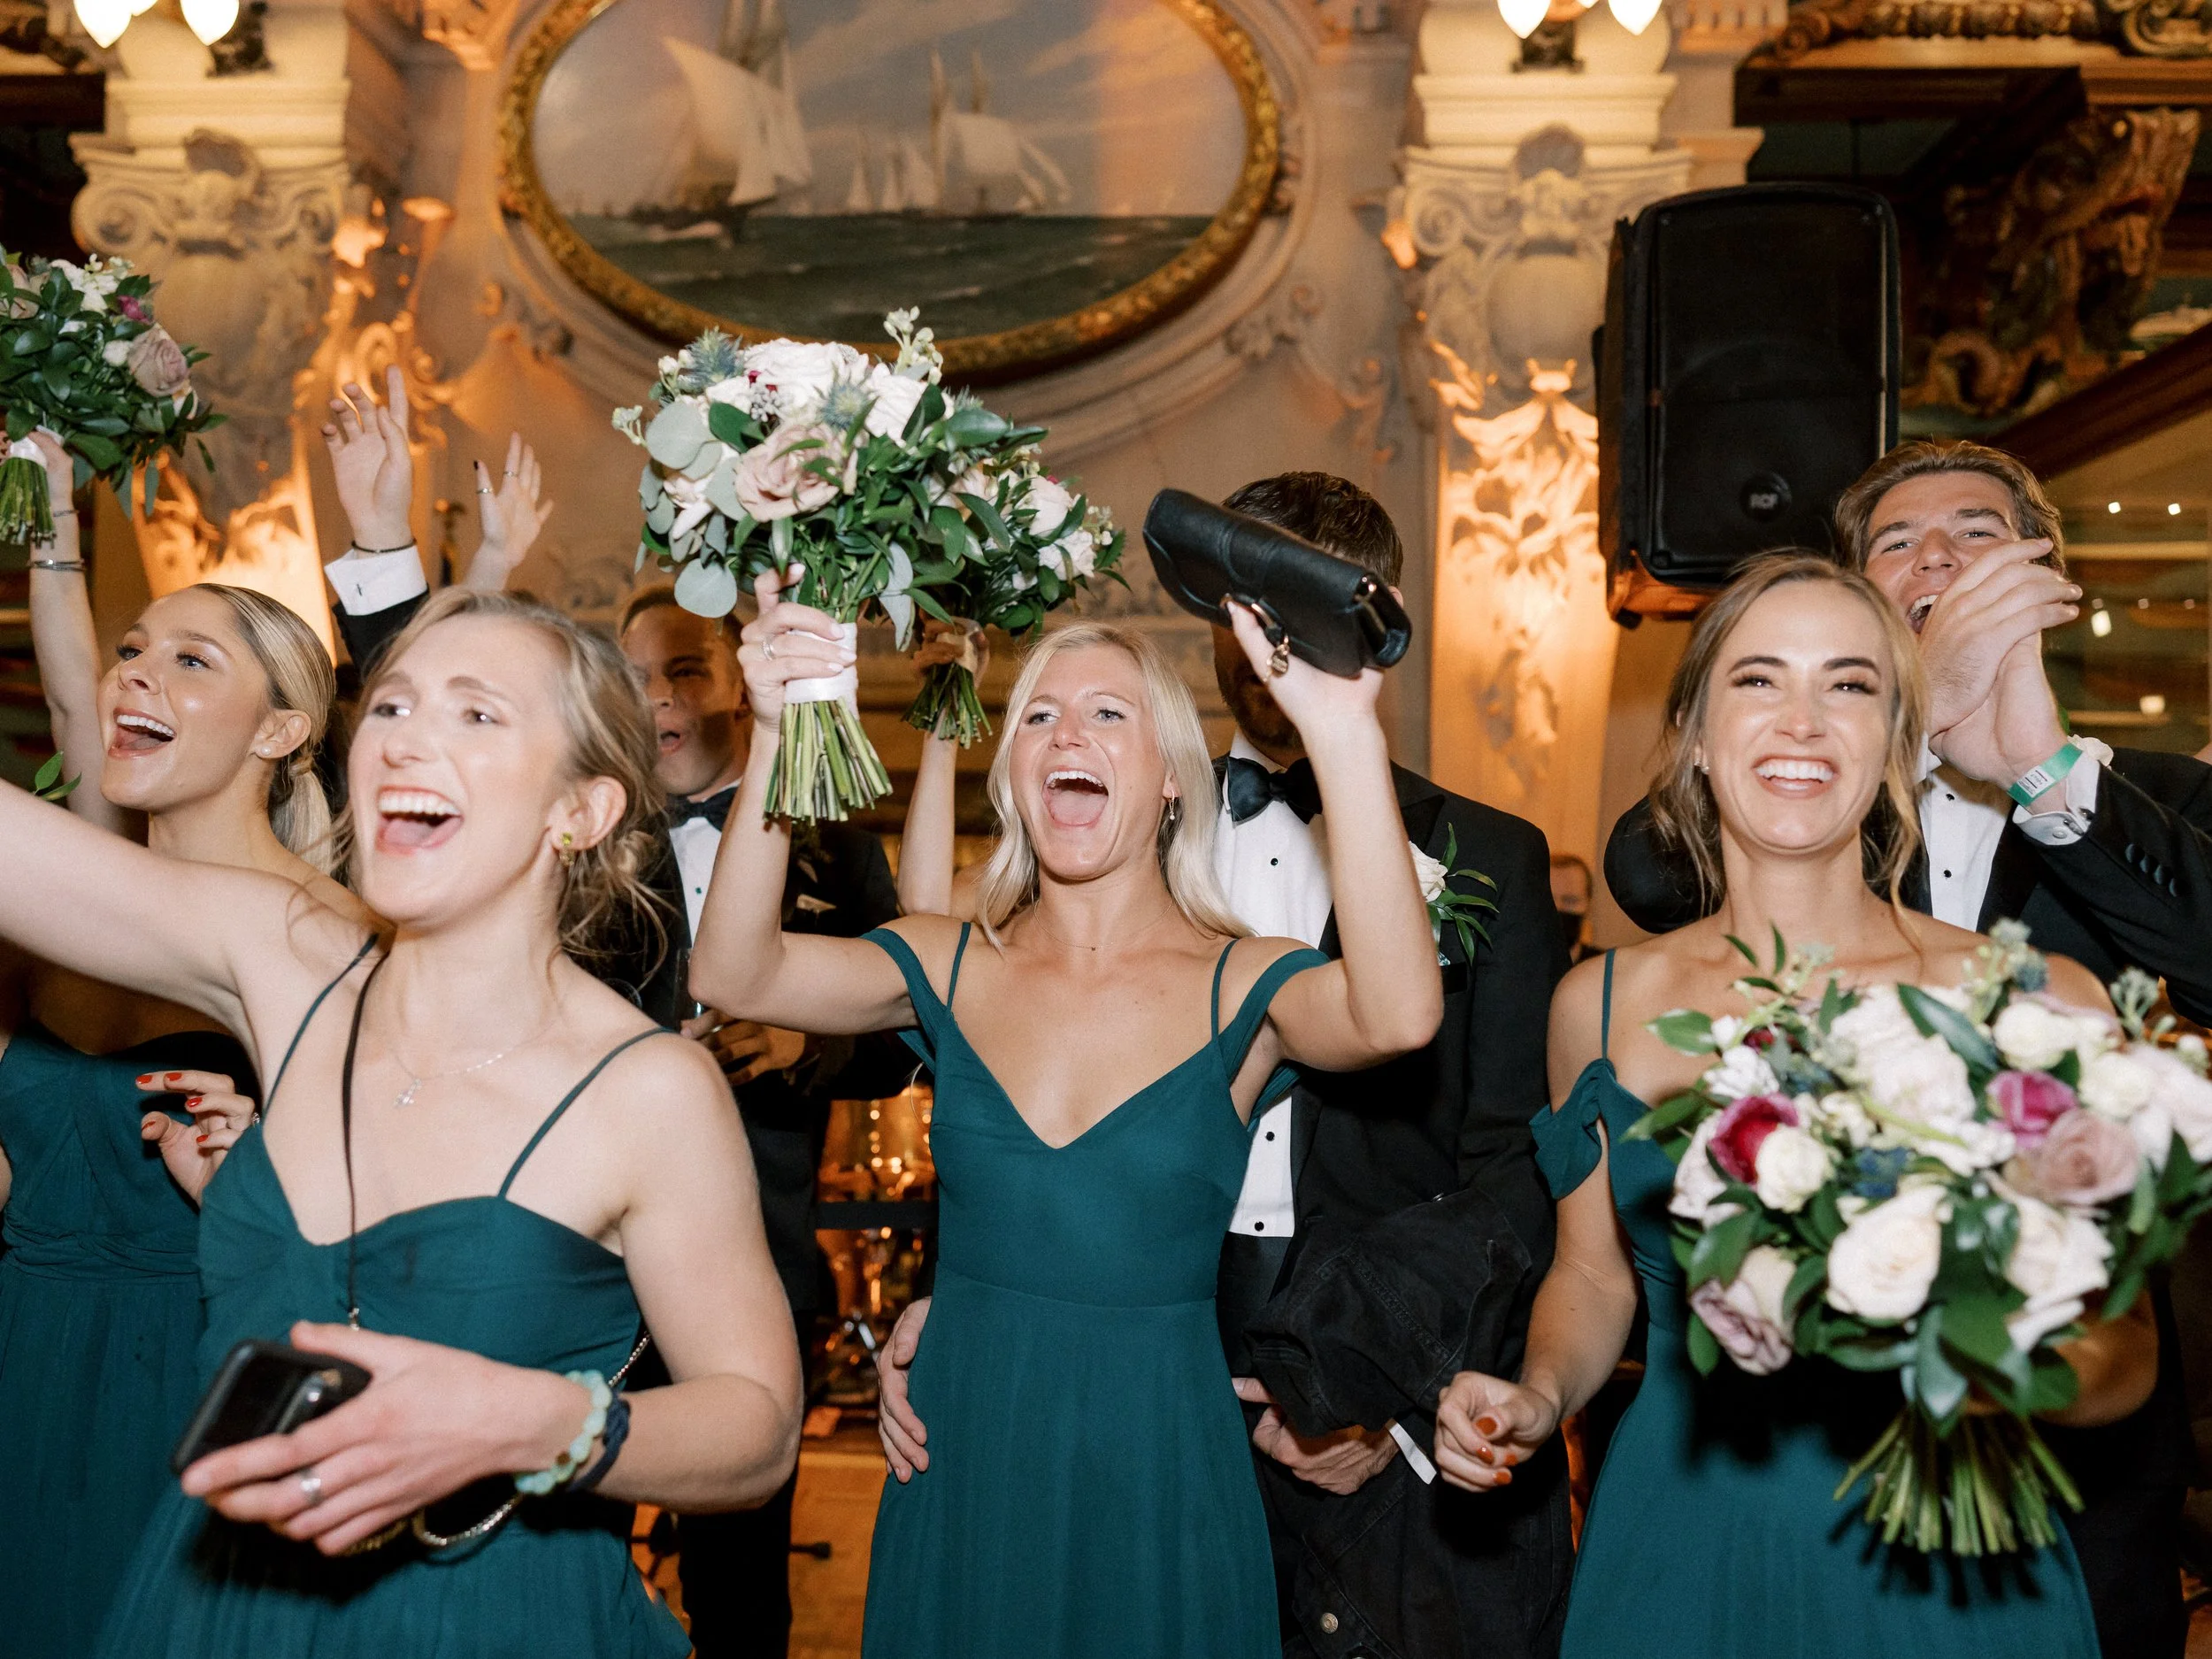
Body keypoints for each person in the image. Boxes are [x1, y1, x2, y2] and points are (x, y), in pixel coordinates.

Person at [0, 584, 810, 1654]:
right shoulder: (282, 960)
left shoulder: (644, 1087)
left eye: (475, 715)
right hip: (220, 1607)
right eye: (390, 708)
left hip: (490, 1622)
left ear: (582, 810)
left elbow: (755, 1431)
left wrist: (540, 1422)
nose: (406, 740)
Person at [882, 475, 1573, 1659]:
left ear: (1373, 617)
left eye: (1306, 609)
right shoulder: (1125, 809)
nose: (1274, 644)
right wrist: (970, 1311)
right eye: (1252, 607)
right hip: (1126, 1383)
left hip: (1371, 1404)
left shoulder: (1490, 856)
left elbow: (1512, 1169)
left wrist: (1387, 1397)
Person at [691, 572, 1441, 1659]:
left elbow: (1399, 1012)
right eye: (1036, 715)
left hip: (1160, 1472)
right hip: (962, 1461)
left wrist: (1341, 734)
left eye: (1105, 713)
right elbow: (735, 967)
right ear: (1015, 778)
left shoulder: (1244, 984)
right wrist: (772, 730)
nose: (1062, 733)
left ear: (1175, 779)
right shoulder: (946, 958)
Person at [1445, 553, 2156, 1657]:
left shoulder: (2023, 1000)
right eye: (1759, 680)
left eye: (1850, 684)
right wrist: (1537, 1395)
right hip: (1686, 1540)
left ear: (1895, 743)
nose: (1803, 721)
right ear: (1690, 732)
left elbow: (2123, 1349)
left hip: (1945, 1562)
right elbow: (1591, 1273)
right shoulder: (1599, 1003)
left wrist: (1984, 1364)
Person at [1605, 439, 2211, 1655]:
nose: (1935, 555)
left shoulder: (2156, 797)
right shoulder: (1812, 786)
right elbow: (1648, 862)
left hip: (2069, 1468)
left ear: (2048, 574)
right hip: (1768, 1468)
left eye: (1976, 533)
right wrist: (1896, 707)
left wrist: (2035, 765)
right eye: (1896, 543)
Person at [0, 431, 356, 1659]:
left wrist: (270, 1172)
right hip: (24, 1365)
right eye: (132, 648)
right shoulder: (59, 923)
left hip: (200, 1384)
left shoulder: (333, 937)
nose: (131, 674)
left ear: (282, 729)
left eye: (189, 658)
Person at [617, 584, 904, 1659]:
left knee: (741, 1599)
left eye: (684, 669)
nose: (659, 700)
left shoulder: (834, 842)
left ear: (738, 678)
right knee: (568, 1554)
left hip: (757, 1258)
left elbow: (910, 1030)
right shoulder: (580, 835)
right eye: (637, 676)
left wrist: (807, 1042)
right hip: (593, 1259)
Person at [1548, 853, 1597, 964]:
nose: (1557, 908)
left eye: (1570, 901)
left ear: (1589, 905)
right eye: (1548, 899)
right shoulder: (1508, 968)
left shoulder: (1607, 971)